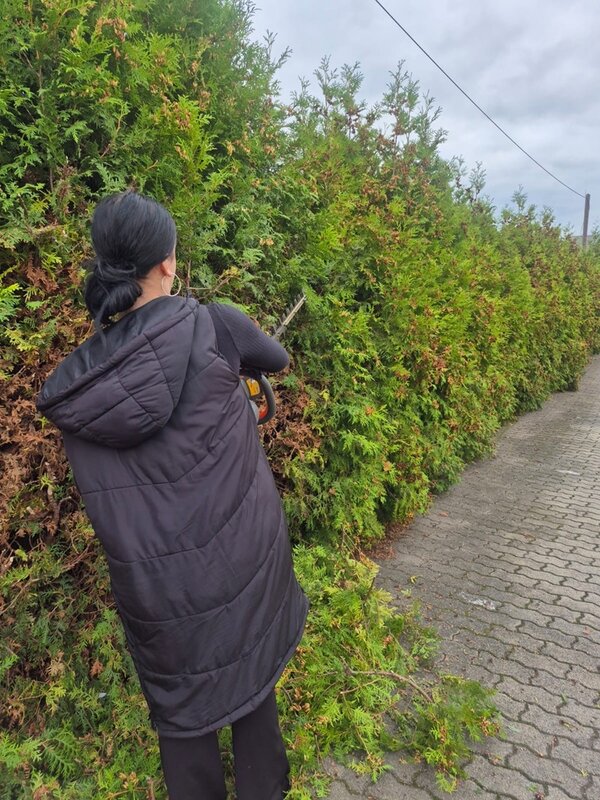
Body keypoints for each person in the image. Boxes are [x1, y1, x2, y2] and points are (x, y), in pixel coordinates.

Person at [36, 190, 309, 800]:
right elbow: (277, 358)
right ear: (167, 263)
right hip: (237, 559)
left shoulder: (79, 386)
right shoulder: (215, 325)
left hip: (155, 588)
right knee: (250, 675)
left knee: (182, 706)